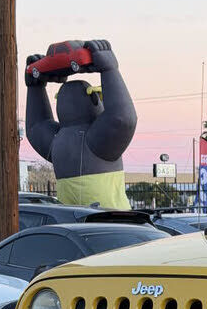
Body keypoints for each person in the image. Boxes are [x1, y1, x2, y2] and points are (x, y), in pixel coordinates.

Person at [24, 39, 136, 209]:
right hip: (111, 220)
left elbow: (36, 126)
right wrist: (109, 69)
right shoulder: (96, 139)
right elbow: (122, 118)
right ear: (94, 98)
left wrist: (35, 87)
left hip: (72, 225)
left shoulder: (57, 141)